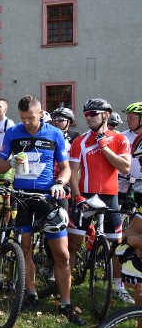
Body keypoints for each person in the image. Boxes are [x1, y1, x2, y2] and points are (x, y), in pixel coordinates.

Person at [0, 95, 85, 325]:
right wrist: (11, 162)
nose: (27, 122)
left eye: (31, 118)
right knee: (24, 248)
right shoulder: (14, 132)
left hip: (47, 198)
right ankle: (32, 293)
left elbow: (65, 169)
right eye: (23, 118)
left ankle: (66, 303)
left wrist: (59, 183)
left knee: (62, 254)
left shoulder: (54, 133)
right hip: (23, 198)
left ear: (40, 113)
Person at [67, 98, 133, 304]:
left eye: (93, 114)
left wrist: (104, 147)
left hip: (110, 197)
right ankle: (65, 283)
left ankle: (118, 286)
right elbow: (73, 172)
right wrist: (77, 196)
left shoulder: (119, 139)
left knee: (116, 244)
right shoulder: (80, 141)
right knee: (73, 243)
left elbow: (125, 168)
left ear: (106, 114)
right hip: (86, 197)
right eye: (86, 114)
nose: (89, 118)